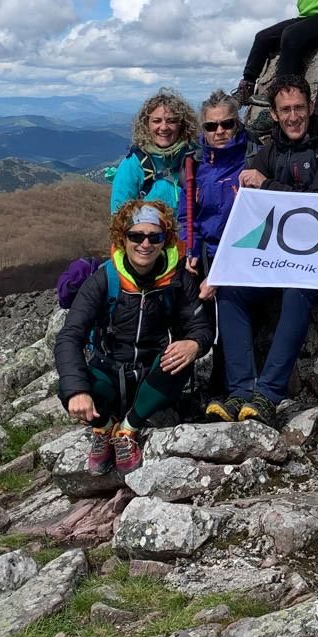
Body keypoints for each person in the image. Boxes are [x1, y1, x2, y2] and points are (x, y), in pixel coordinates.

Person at [207, 74, 318, 425]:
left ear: (310, 108)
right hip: (285, 257)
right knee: (231, 290)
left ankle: (269, 394)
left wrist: (266, 184)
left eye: (299, 108)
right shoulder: (273, 147)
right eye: (285, 110)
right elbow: (249, 187)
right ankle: (241, 391)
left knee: (297, 292)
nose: (293, 117)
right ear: (274, 115)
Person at [54, 200, 212, 475]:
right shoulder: (105, 280)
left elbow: (201, 326)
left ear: (166, 240)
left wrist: (195, 343)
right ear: (122, 238)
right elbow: (70, 337)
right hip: (109, 371)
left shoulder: (177, 279)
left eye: (155, 237)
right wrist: (77, 391)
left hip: (152, 376)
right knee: (69, 385)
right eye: (136, 236)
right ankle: (102, 426)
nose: (145, 244)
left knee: (178, 359)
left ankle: (128, 429)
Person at [177, 90, 248, 295]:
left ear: (237, 124)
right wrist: (192, 249)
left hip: (243, 259)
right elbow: (186, 217)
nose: (219, 131)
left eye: (226, 124)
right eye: (211, 126)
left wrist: (221, 272)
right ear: (203, 129)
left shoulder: (254, 160)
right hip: (204, 258)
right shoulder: (195, 165)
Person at [109, 89, 195, 213]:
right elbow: (119, 216)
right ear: (146, 125)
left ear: (182, 125)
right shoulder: (133, 164)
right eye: (156, 121)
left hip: (191, 232)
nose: (164, 127)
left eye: (171, 121)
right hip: (149, 232)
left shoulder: (194, 158)